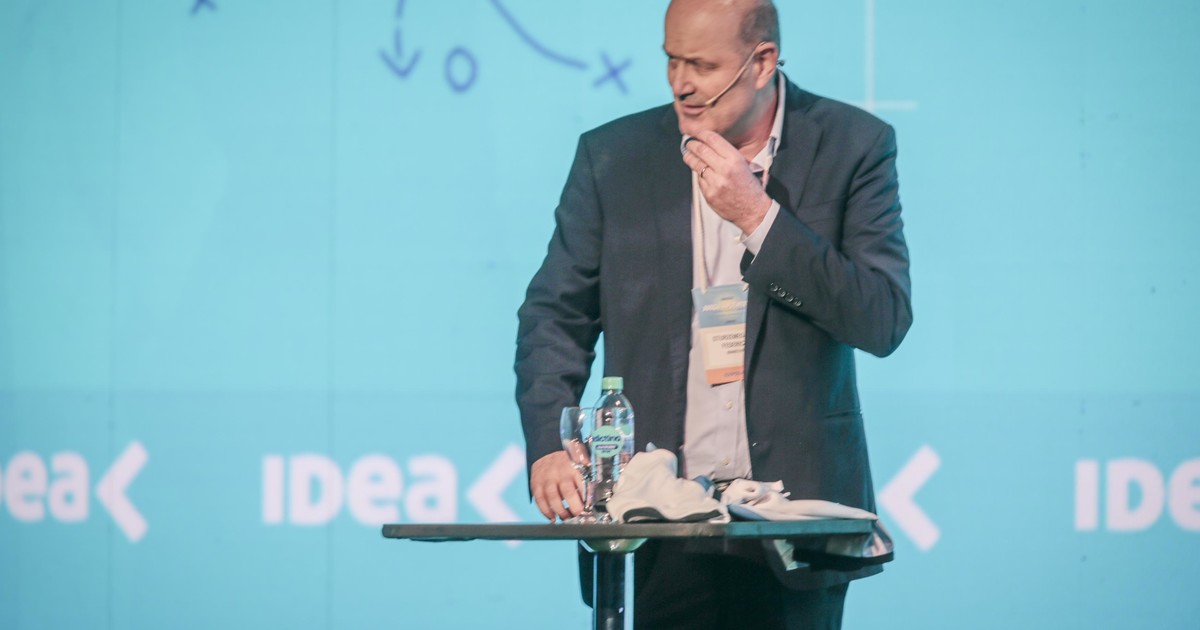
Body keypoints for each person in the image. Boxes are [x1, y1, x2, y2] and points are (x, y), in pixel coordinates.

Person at [514, 0, 912, 627]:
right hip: (655, 513)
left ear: (762, 62)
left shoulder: (852, 145)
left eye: (701, 65)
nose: (681, 83)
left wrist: (759, 217)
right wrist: (548, 446)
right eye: (672, 60)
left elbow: (881, 318)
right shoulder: (614, 156)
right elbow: (553, 316)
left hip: (794, 521)